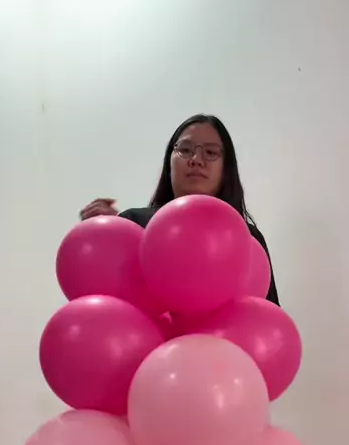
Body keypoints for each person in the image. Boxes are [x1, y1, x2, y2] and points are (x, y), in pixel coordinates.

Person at [80, 114, 279, 305]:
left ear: (225, 169)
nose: (196, 160)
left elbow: (265, 315)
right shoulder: (134, 224)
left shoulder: (247, 238)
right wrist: (104, 237)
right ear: (169, 163)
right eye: (185, 150)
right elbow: (104, 304)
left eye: (210, 152)